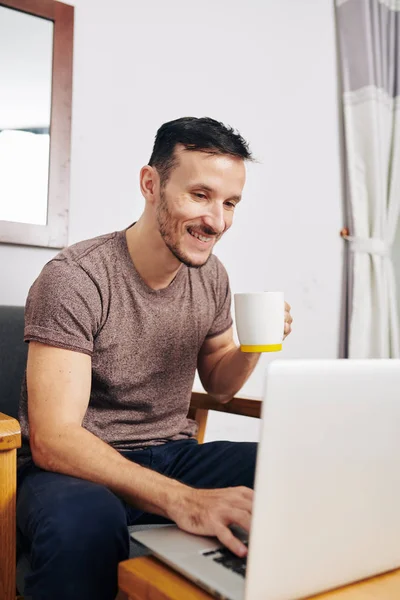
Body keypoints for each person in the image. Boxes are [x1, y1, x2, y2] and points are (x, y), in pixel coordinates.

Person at [16, 117, 293, 600]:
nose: (218, 221)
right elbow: (54, 440)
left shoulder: (211, 276)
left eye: (230, 203)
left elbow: (221, 384)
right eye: (200, 195)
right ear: (151, 184)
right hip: (76, 470)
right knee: (85, 524)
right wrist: (184, 501)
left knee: (287, 468)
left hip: (171, 453)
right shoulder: (77, 277)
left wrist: (254, 345)